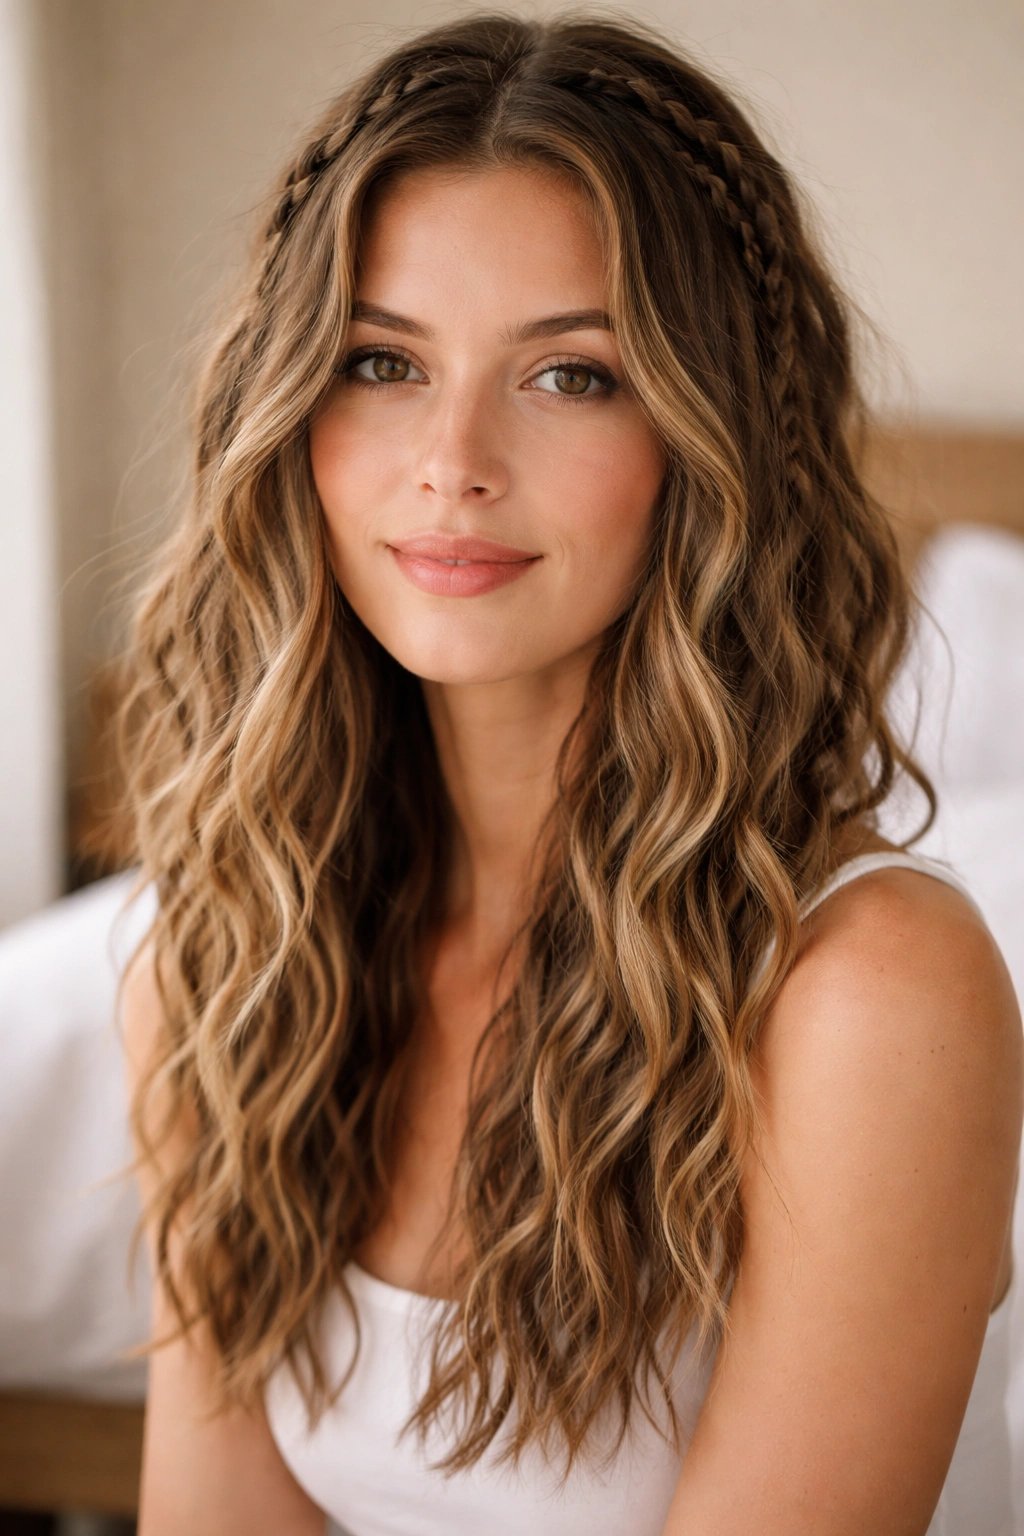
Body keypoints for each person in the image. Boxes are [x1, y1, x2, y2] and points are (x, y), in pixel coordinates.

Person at [119, 15, 1022, 1535]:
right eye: (382, 361)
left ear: (712, 437)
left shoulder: (870, 999)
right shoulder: (223, 963)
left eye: (571, 376)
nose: (453, 459)